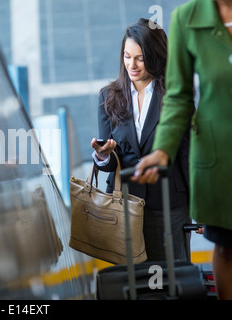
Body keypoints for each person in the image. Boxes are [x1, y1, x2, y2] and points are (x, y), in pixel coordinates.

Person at [131, 0, 232, 300]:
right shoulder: (187, 19)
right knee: (227, 249)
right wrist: (163, 150)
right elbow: (177, 97)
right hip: (219, 161)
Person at [91, 18, 192, 262]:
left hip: (169, 204)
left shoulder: (175, 95)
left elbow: (189, 153)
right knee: (132, 280)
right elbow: (109, 162)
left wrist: (198, 205)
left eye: (140, 57)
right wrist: (103, 154)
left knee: (172, 277)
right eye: (127, 56)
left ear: (156, 55)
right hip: (124, 204)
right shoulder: (109, 97)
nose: (132, 65)